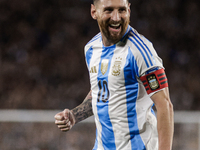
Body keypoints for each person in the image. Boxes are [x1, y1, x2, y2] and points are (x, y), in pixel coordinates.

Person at [54, 0, 174, 149]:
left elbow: (164, 105)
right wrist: (74, 116)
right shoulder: (91, 49)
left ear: (129, 10)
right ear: (94, 12)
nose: (116, 17)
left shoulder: (140, 52)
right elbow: (101, 93)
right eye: (109, 10)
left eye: (122, 10)